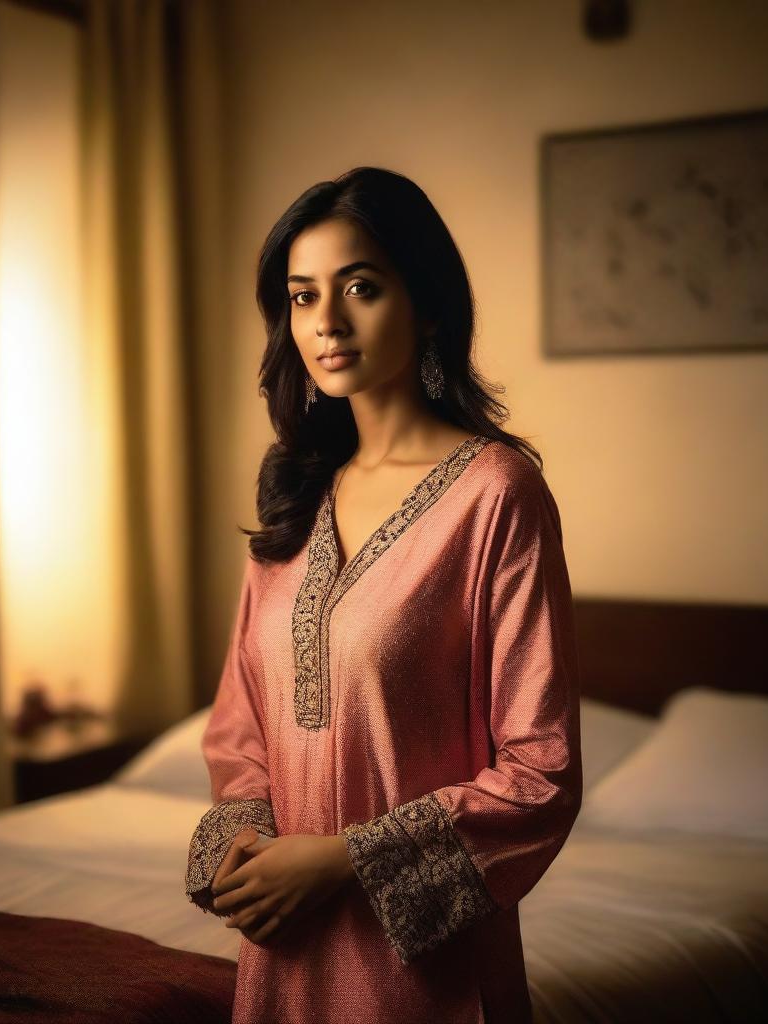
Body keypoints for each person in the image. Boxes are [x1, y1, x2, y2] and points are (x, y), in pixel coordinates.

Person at [184, 166, 582, 1024]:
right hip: (284, 954)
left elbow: (539, 770)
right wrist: (247, 852)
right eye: (301, 296)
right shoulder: (296, 497)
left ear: (428, 302)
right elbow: (240, 727)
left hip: (427, 973)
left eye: (360, 286)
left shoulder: (496, 496)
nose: (325, 322)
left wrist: (342, 861)